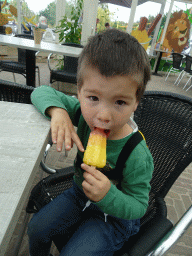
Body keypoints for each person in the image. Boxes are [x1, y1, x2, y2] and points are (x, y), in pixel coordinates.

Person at [27, 28, 154, 256]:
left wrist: (108, 195)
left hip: (114, 218)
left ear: (136, 102)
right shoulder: (82, 116)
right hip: (79, 193)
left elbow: (138, 207)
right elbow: (41, 91)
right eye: (93, 98)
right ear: (79, 91)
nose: (103, 115)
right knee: (36, 228)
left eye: (120, 102)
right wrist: (58, 112)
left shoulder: (137, 154)